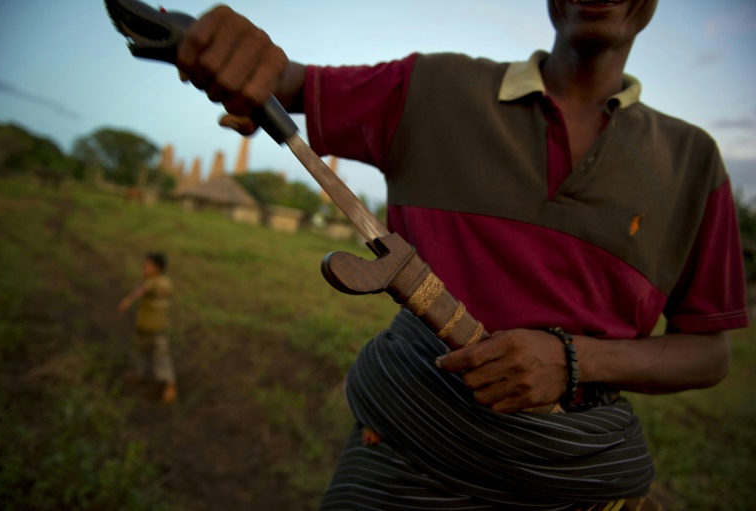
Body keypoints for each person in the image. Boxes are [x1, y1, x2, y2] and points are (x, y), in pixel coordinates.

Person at [174, 1, 747, 508]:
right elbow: (279, 81)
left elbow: (709, 353)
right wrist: (230, 49)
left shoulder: (693, 161)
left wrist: (576, 360)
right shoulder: (432, 85)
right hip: (405, 465)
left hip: (572, 479)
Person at [119, 252, 177, 403]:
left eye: (148, 265)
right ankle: (158, 381)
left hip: (150, 325)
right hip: (155, 324)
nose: (144, 268)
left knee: (155, 355)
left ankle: (167, 385)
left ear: (158, 268)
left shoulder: (153, 282)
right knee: (154, 354)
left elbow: (143, 290)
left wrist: (128, 300)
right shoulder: (166, 282)